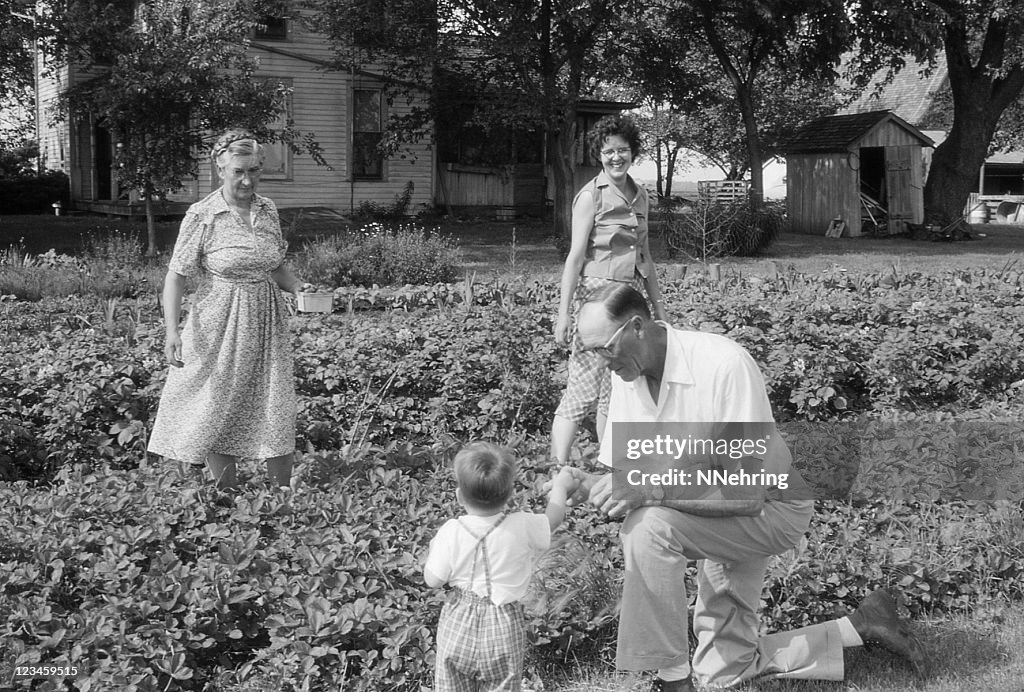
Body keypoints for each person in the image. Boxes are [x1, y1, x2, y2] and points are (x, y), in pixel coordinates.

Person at [563, 284, 925, 691]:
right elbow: (637, 474)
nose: (600, 361)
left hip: (771, 507)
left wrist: (649, 490)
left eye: (604, 348)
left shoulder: (723, 364)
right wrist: (595, 484)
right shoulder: (629, 376)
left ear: (637, 327)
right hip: (702, 504)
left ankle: (671, 680)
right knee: (723, 674)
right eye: (591, 351)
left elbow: (746, 494)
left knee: (648, 527)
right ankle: (861, 626)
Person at [147, 129, 301, 491]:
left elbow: (273, 264)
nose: (247, 180)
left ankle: (282, 495)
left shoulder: (268, 210)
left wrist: (299, 287)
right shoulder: (203, 215)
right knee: (219, 403)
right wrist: (172, 331)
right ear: (220, 169)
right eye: (238, 172)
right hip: (219, 321)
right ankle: (226, 494)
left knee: (275, 402)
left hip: (266, 323)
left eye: (254, 171)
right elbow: (176, 276)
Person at [551, 113, 668, 464]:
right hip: (595, 300)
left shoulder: (640, 196)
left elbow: (645, 258)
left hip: (628, 300)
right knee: (583, 386)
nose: (616, 158)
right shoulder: (591, 197)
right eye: (608, 152)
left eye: (623, 150)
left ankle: (607, 466)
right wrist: (562, 315)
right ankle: (557, 468)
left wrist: (659, 311)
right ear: (598, 156)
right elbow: (574, 258)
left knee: (613, 390)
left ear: (633, 152)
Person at [424, 442, 581, 692]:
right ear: (510, 494)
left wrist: (434, 549)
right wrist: (560, 487)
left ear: (459, 495)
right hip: (504, 624)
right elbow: (553, 519)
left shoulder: (451, 531)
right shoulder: (521, 525)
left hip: (458, 623)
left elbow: (433, 580)